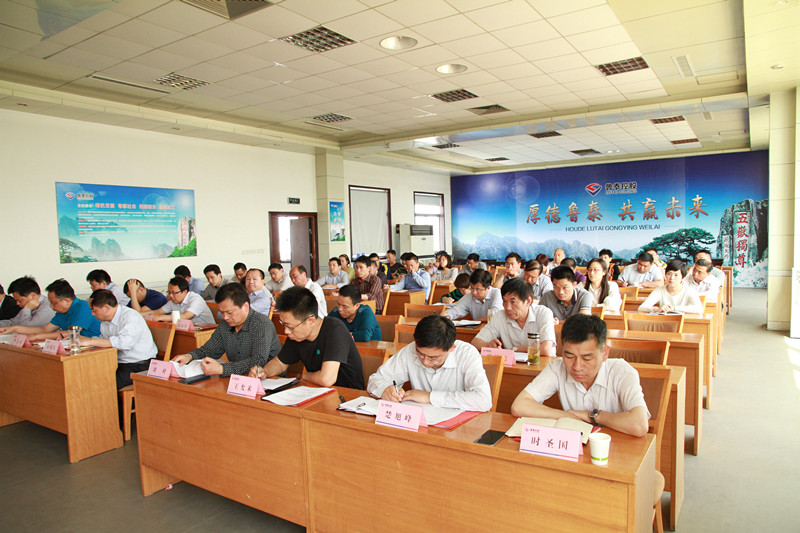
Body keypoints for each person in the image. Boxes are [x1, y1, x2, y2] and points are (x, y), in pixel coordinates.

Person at [510, 314, 649, 437]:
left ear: (604, 353)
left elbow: (639, 425)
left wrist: (593, 415)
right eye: (569, 356)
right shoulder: (557, 367)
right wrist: (566, 416)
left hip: (616, 448)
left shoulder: (621, 372)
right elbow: (519, 405)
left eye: (587, 358)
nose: (577, 367)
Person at [367, 314, 492, 411]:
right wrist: (385, 390)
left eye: (433, 358)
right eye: (420, 354)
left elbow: (483, 400)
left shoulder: (467, 354)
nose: (425, 362)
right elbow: (375, 379)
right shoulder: (410, 350)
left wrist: (429, 397)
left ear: (451, 348)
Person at [249, 287, 364, 389]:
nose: (286, 331)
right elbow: (280, 363)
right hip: (316, 391)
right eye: (283, 325)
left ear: (311, 321)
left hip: (348, 397)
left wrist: (305, 376)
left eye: (289, 326)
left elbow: (327, 379)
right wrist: (264, 372)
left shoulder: (335, 329)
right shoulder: (297, 335)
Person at [172, 283, 281, 377]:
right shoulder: (225, 325)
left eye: (229, 312)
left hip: (269, 379)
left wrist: (222, 369)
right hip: (238, 377)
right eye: (221, 312)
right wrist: (190, 356)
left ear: (245, 307)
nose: (225, 317)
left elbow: (257, 361)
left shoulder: (261, 324)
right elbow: (210, 350)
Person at [80, 289, 157, 389]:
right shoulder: (105, 321)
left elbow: (124, 343)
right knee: (90, 376)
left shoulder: (130, 316)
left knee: (104, 384)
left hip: (140, 365)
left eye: (94, 311)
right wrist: (83, 340)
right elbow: (104, 340)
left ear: (106, 308)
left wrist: (91, 341)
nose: (92, 314)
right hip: (118, 363)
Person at [472, 277, 555, 355]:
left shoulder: (543, 313)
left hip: (542, 363)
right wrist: (488, 345)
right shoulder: (500, 315)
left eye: (513, 302)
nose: (507, 307)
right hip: (513, 364)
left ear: (528, 301)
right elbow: (475, 342)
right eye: (505, 301)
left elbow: (546, 349)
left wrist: (516, 349)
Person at [0, 279, 101, 340]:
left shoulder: (83, 307)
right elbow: (44, 329)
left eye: (53, 303)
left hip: (96, 348)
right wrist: (14, 328)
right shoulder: (62, 312)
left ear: (66, 301)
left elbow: (71, 333)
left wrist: (35, 336)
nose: (51, 306)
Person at [638, 260, 703, 314]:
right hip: (664, 322)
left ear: (682, 277)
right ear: (665, 275)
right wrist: (657, 309)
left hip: (685, 321)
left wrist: (674, 308)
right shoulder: (660, 290)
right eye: (669, 274)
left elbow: (699, 309)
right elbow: (641, 308)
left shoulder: (689, 290)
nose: (672, 278)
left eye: (676, 275)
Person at [148, 276, 215, 324]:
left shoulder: (195, 299)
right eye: (169, 292)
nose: (170, 296)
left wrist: (159, 317)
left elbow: (185, 316)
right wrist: (142, 315)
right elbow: (158, 312)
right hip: (190, 332)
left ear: (185, 292)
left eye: (174, 293)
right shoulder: (174, 301)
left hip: (206, 333)